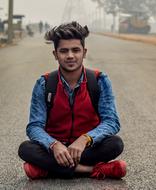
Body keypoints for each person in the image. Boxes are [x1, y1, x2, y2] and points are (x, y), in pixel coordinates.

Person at [18, 21, 126, 180]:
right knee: (25, 149)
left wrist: (85, 139)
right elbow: (35, 126)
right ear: (55, 54)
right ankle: (90, 170)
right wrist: (54, 145)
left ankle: (47, 170)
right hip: (55, 149)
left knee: (115, 144)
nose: (70, 56)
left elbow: (111, 121)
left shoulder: (99, 80)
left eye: (76, 50)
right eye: (63, 51)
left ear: (84, 52)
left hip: (87, 148)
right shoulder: (44, 83)